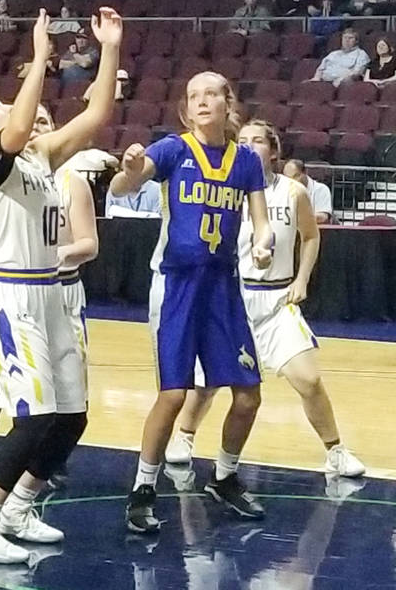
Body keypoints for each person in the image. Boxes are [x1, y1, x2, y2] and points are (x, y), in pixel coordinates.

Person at [0, 7, 121, 563]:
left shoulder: (38, 156)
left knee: (72, 415)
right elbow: (19, 125)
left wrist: (108, 48)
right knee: (33, 415)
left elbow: (99, 113)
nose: (5, 107)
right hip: (7, 297)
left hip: (51, 296)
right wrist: (39, 57)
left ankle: (19, 506)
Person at [108, 71, 273, 534]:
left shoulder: (245, 162)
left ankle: (224, 476)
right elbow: (124, 186)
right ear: (186, 107)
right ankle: (142, 487)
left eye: (211, 94)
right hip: (177, 284)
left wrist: (264, 242)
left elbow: (261, 222)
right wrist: (130, 166)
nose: (202, 102)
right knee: (174, 394)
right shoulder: (172, 149)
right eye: (193, 96)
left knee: (248, 396)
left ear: (227, 102)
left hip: (223, 286)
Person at [165, 121, 364, 483]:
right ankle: (184, 436)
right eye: (242, 141)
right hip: (233, 298)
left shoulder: (293, 192)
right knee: (206, 383)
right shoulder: (223, 188)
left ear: (273, 151)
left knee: (309, 380)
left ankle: (336, 451)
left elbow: (312, 236)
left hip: (276, 301)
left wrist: (302, 278)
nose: (249, 146)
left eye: (258, 141)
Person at [0, 104, 101, 514]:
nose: (36, 126)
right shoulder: (1, 174)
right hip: (13, 293)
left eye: (45, 122)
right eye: (34, 121)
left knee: (64, 410)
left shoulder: (67, 179)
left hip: (59, 294)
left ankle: (24, 488)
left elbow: (90, 244)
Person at [282, 159, 333, 224]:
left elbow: (323, 217)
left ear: (305, 173)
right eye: (288, 178)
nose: (292, 181)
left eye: (295, 176)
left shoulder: (321, 189)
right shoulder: (282, 190)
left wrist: (295, 219)